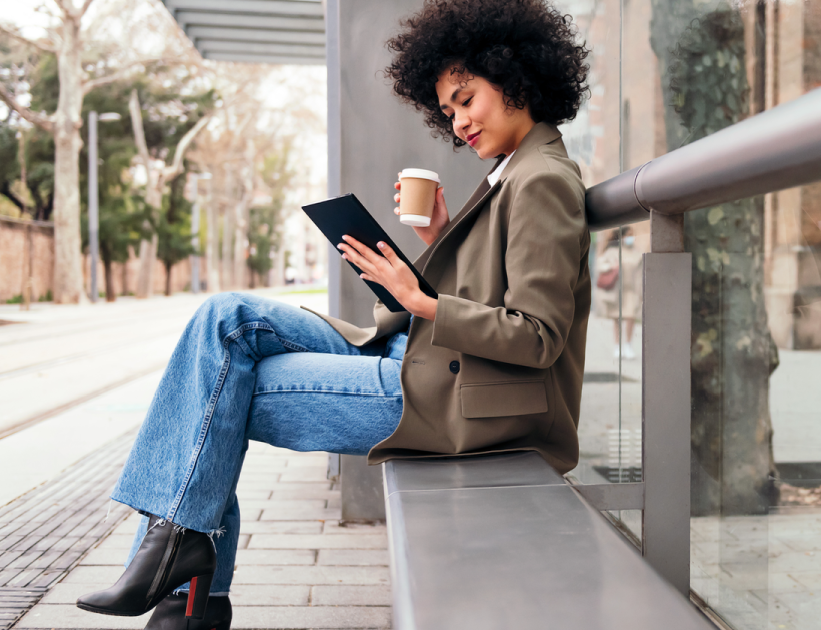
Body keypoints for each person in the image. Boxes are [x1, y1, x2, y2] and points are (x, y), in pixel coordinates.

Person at [75, 0, 591, 627]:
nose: (457, 124)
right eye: (448, 110)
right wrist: (438, 232)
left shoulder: (543, 180)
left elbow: (537, 338)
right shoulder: (513, 172)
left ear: (514, 78)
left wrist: (420, 299)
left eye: (465, 99)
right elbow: (489, 292)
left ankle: (188, 589)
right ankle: (183, 572)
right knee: (224, 318)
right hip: (424, 359)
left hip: (455, 400)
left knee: (215, 397)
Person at [594, 227, 642, 359]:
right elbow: (600, 264)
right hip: (617, 291)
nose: (631, 238)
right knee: (617, 319)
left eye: (632, 235)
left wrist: (641, 292)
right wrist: (611, 267)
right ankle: (617, 346)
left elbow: (640, 274)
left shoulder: (636, 253)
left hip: (632, 291)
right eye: (629, 235)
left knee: (631, 317)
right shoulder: (613, 251)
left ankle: (628, 345)